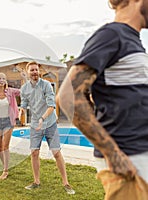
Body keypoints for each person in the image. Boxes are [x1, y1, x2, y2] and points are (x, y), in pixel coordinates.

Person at [56, 0, 148, 195]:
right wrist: (113, 155)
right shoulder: (112, 35)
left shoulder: (132, 40)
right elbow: (67, 96)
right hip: (129, 158)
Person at [19, 61, 75, 194]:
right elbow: (24, 103)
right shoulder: (25, 88)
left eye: (36, 70)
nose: (34, 72)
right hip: (35, 125)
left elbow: (51, 105)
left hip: (49, 123)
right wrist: (21, 110)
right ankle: (36, 181)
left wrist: (42, 119)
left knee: (56, 152)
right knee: (34, 152)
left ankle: (66, 183)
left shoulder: (46, 85)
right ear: (28, 73)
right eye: (32, 70)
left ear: (39, 71)